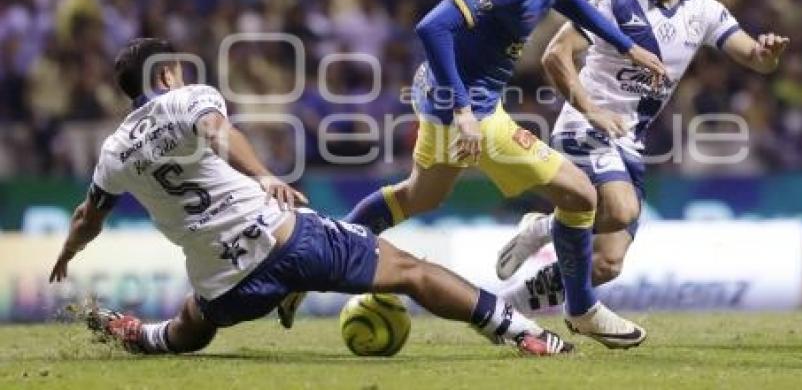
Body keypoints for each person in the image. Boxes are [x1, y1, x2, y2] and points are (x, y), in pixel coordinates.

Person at [48, 38, 570, 357]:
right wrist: (264, 174)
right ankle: (523, 332)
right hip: (283, 238)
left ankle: (142, 336)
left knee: (193, 324)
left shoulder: (113, 151)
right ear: (164, 74)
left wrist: (68, 253)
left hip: (225, 283)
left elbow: (87, 217)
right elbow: (216, 131)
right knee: (413, 272)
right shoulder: (188, 98)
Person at [334, 0, 667, 348]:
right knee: (579, 196)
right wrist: (465, 112)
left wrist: (627, 45)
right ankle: (583, 308)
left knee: (418, 197)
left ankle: (323, 253)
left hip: (440, 94)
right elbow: (433, 27)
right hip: (472, 110)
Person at [494, 0, 790, 346]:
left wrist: (768, 53)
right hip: (585, 125)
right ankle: (544, 233)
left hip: (629, 141)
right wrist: (592, 110)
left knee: (608, 264)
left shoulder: (703, 9)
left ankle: (511, 304)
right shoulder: (615, 1)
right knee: (622, 209)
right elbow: (555, 57)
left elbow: (752, 57)